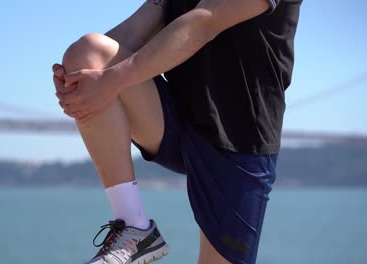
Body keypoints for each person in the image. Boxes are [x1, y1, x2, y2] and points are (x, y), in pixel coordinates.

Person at [52, 0, 301, 263]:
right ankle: (134, 226)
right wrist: (77, 81)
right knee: (88, 54)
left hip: (241, 139)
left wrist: (110, 81)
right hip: (179, 119)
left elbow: (204, 21)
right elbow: (133, 32)